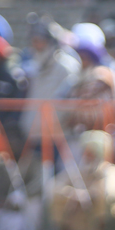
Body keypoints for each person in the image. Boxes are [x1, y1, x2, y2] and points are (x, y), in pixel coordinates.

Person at [21, 19, 81, 150]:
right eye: (33, 41)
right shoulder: (34, 66)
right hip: (34, 138)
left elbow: (71, 103)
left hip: (58, 140)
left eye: (40, 41)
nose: (36, 45)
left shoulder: (66, 67)